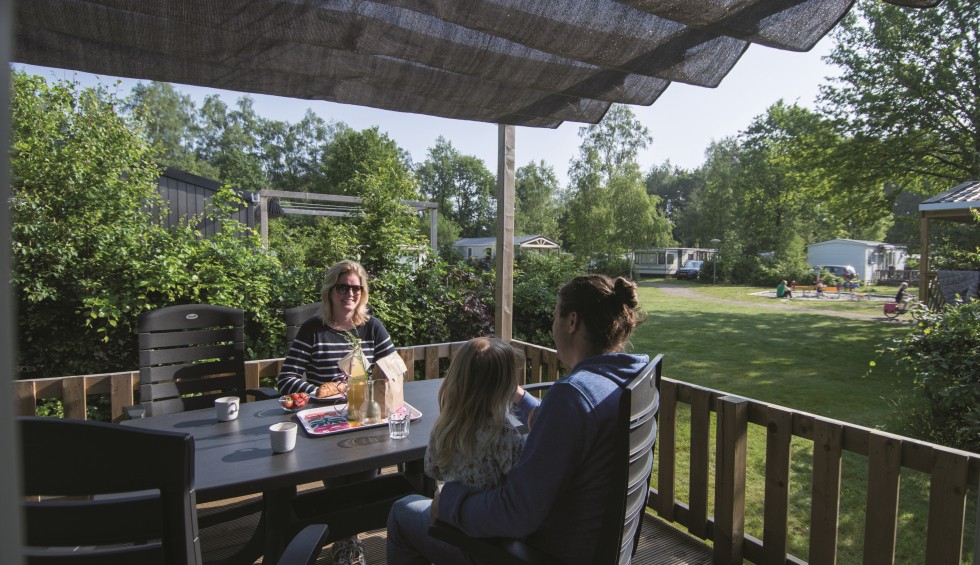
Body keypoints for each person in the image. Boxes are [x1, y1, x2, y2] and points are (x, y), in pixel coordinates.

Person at [387, 274, 649, 565]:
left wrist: (448, 503)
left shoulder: (574, 396)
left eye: (555, 316)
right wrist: (522, 399)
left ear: (572, 321)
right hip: (588, 543)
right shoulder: (621, 381)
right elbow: (567, 429)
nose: (553, 326)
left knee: (404, 510)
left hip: (537, 552)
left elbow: (515, 513)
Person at [278, 259, 397, 565]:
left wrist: (379, 384)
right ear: (330, 291)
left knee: (362, 466)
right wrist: (318, 390)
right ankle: (348, 537)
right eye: (343, 287)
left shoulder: (372, 327)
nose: (350, 293)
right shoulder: (313, 330)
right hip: (326, 419)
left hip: (366, 414)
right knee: (346, 473)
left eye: (356, 288)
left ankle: (346, 534)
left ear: (363, 292)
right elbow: (286, 378)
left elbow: (392, 368)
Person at [425, 337, 526, 490]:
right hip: (490, 511)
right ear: (504, 388)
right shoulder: (503, 434)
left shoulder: (444, 427)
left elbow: (431, 468)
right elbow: (525, 479)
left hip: (453, 510)